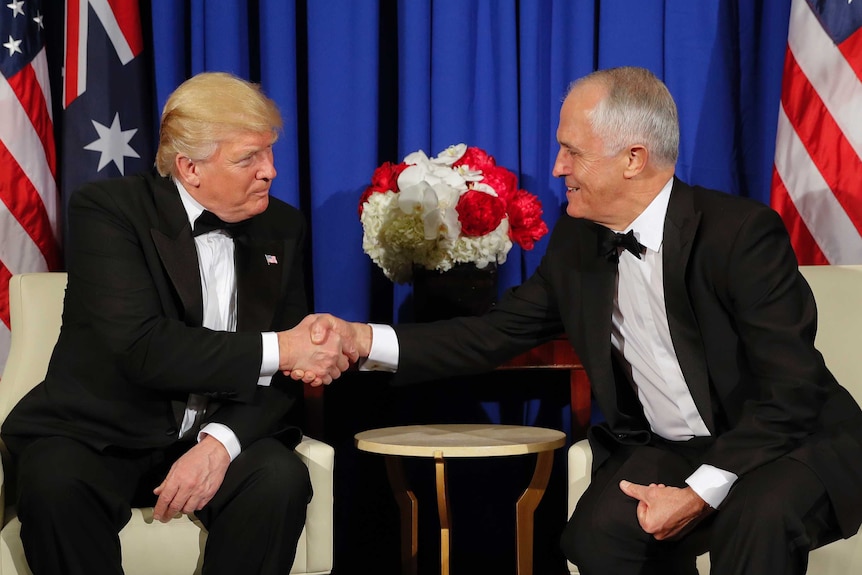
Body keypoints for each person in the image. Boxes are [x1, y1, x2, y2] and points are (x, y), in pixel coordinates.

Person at [309, 66, 862, 574]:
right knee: (597, 537)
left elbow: (791, 392)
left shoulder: (740, 234)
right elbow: (491, 335)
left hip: (790, 439)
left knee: (755, 517)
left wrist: (697, 493)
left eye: (572, 152)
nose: (557, 168)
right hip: (677, 446)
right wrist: (361, 340)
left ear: (633, 159)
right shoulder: (578, 242)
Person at [0, 72, 353, 575]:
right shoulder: (110, 211)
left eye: (270, 153)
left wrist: (220, 444)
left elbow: (284, 381)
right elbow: (143, 347)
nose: (270, 171)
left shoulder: (282, 226)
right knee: (55, 485)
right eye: (248, 158)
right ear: (189, 168)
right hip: (99, 433)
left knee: (279, 479)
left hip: (214, 430)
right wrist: (286, 349)